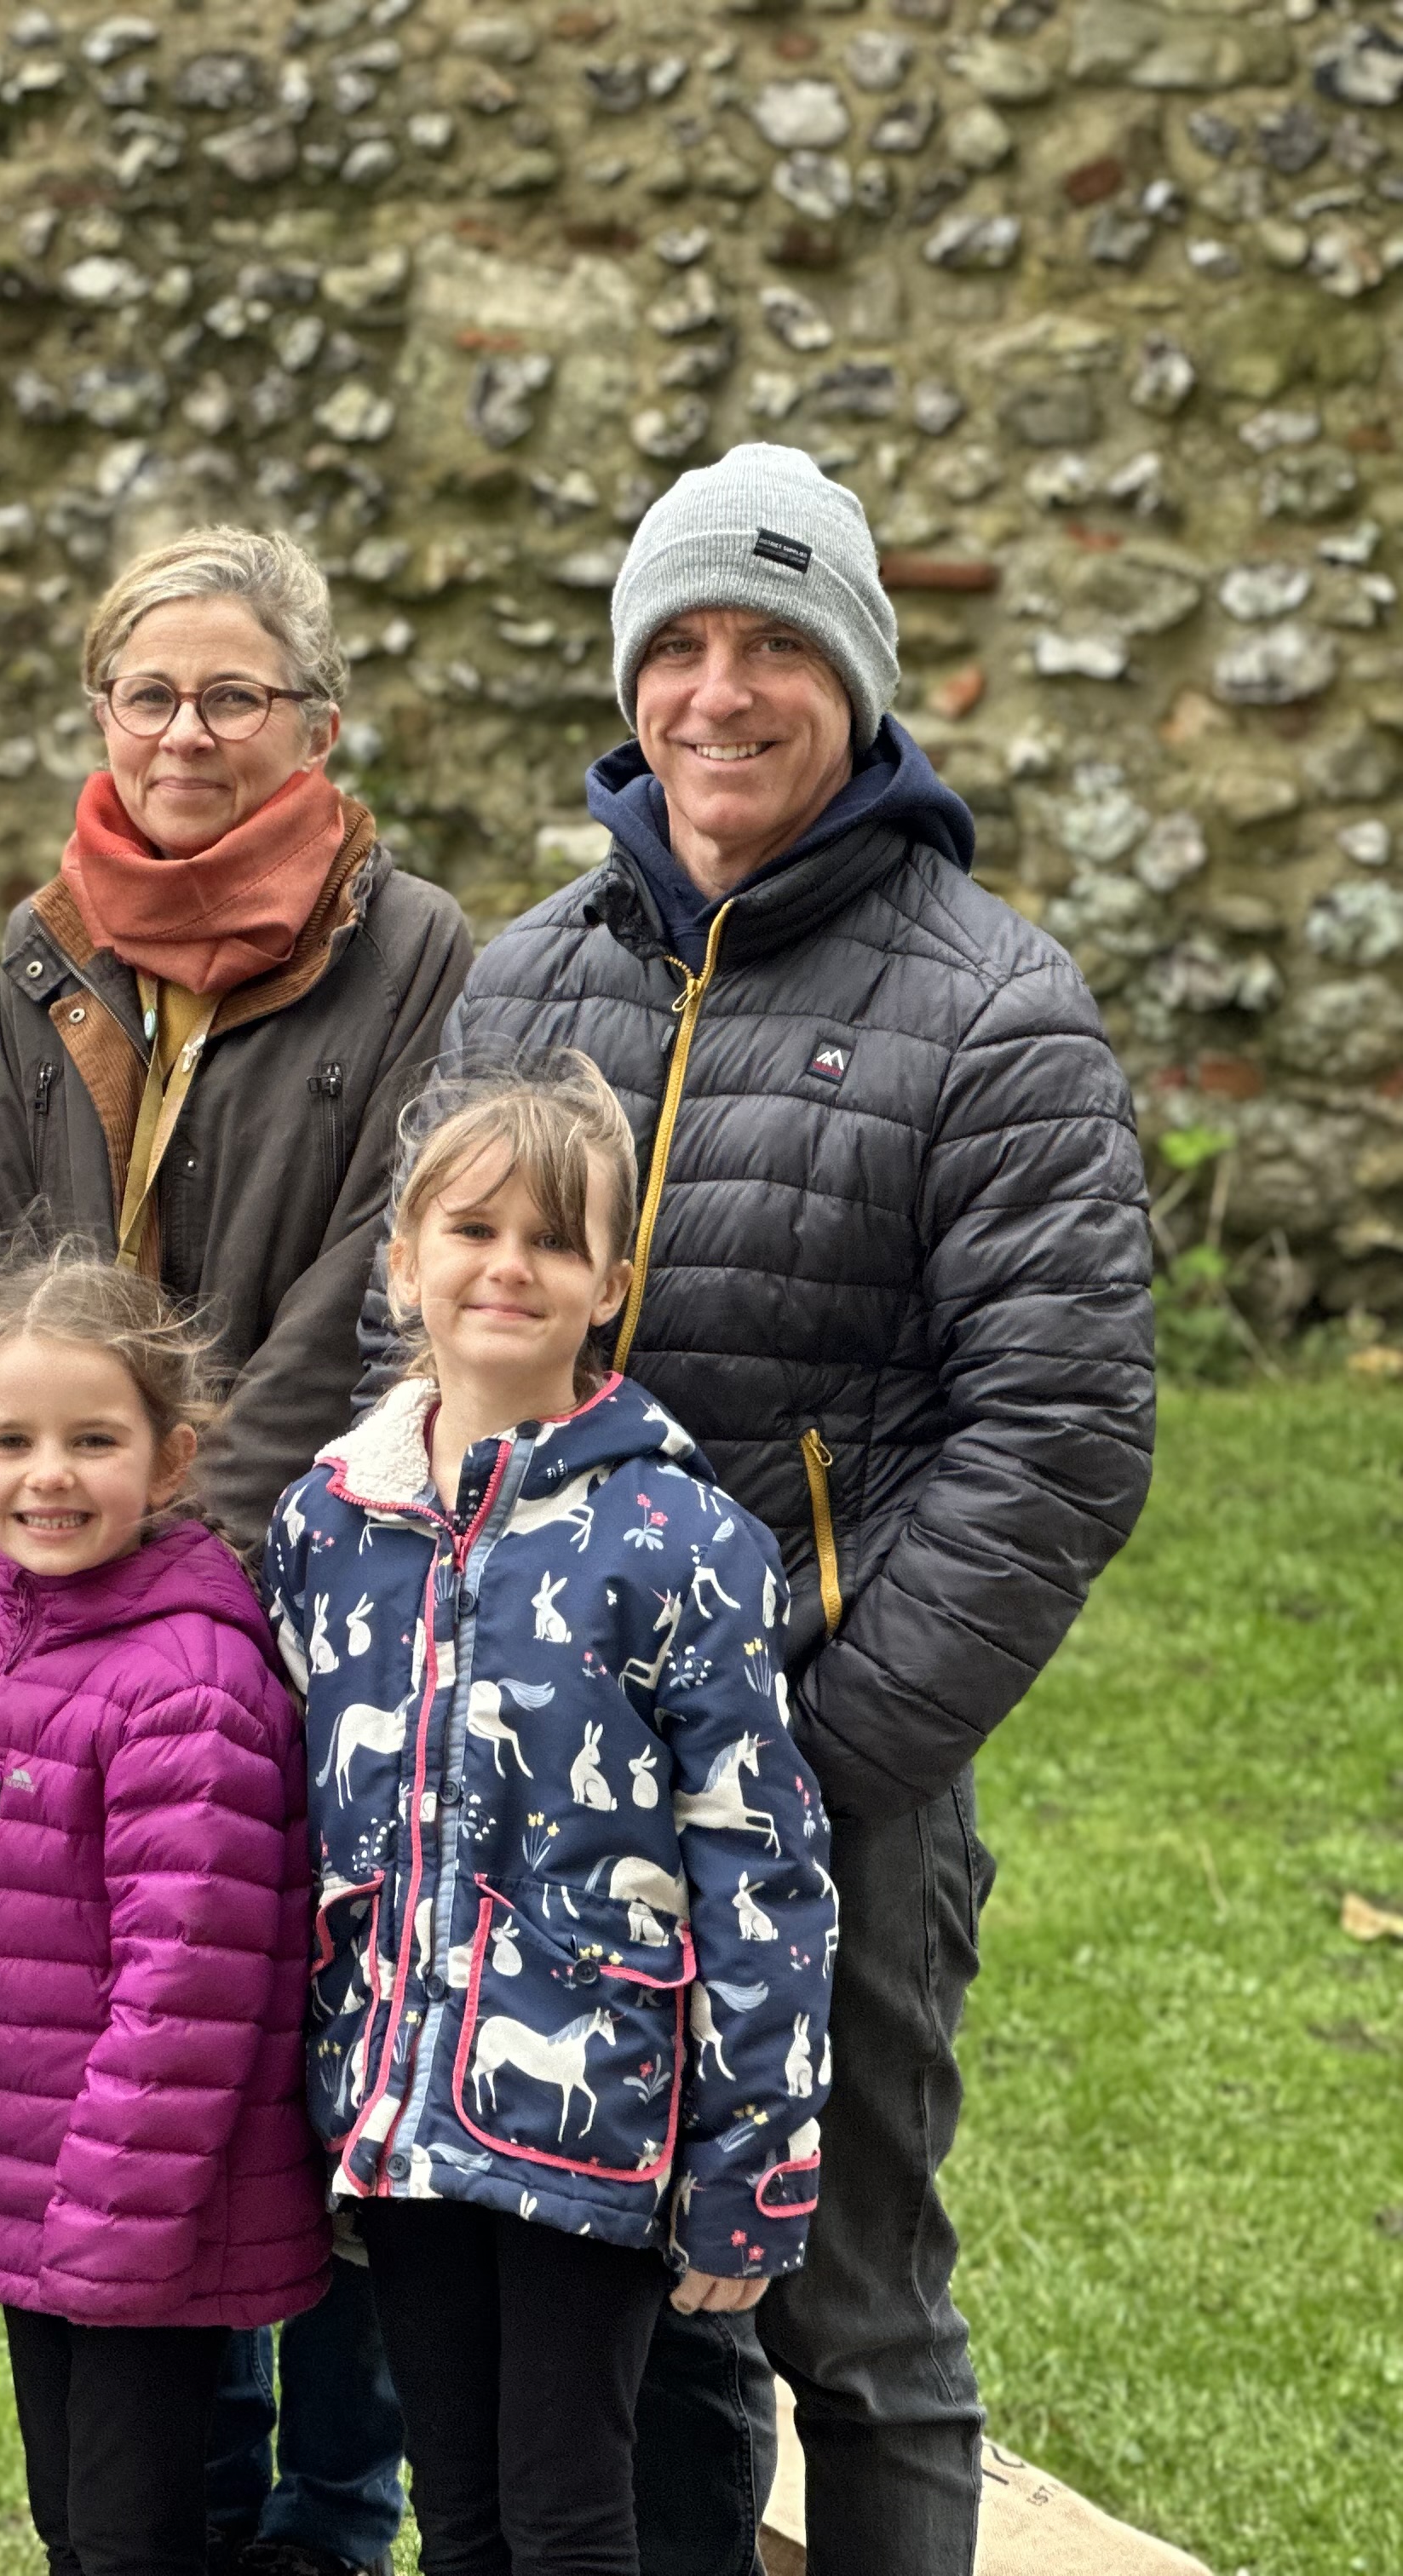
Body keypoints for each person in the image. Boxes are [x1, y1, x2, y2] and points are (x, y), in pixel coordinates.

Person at [385, 445, 1154, 2576]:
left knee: (853, 2314)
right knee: (633, 2306)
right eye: (682, 647)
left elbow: (1061, 1435)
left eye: (778, 648)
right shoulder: (535, 976)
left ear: (863, 684)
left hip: (836, 1770)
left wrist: (805, 1766)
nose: (721, 696)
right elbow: (447, 1323)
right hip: (549, 1784)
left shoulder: (994, 1007)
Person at [0, 524, 461, 2576]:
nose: (187, 733)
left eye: (233, 695)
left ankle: (336, 2517)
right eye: (149, 693)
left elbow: (382, 1276)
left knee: (319, 2035)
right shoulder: (41, 949)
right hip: (94, 1585)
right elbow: (24, 1258)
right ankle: (190, 2486)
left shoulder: (418, 948)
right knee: (147, 2027)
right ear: (103, 712)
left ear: (316, 723)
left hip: (325, 1573)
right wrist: (64, 1504)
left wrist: (199, 1514)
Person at [285, 1059, 838, 2576]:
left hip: (590, 2117)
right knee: (451, 2503)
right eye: (470, 1229)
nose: (508, 1265)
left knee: (570, 2504)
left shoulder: (681, 1540)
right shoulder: (330, 1523)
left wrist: (757, 2155)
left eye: (552, 1239)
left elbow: (764, 1865)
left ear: (610, 1282)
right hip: (396, 2109)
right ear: (405, 1259)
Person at [0, 1249, 325, 2576]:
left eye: (95, 1440)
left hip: (143, 2210)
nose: (50, 1475)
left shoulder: (186, 1681)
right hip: (34, 2183)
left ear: (174, 1455)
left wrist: (112, 2220)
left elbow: (191, 1983)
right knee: (72, 2524)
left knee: (134, 2534)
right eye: (13, 1440)